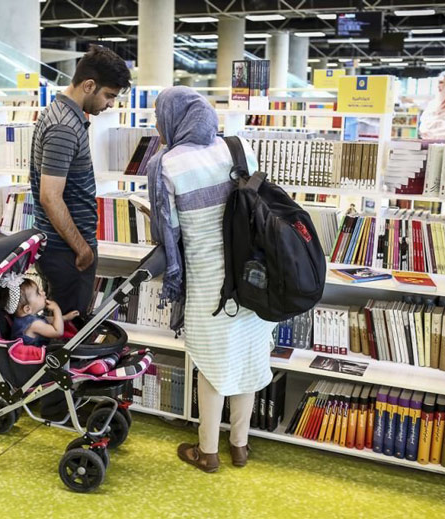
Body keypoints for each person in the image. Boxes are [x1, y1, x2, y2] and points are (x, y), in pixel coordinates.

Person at [146, 86, 275, 473]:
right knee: (247, 357)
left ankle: (208, 452)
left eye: (158, 116)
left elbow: (166, 230)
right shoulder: (238, 147)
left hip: (207, 281)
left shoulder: (165, 164)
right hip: (252, 275)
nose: (157, 124)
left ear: (174, 118)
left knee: (213, 365)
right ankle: (239, 446)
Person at [30, 45, 130, 421]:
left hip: (65, 246)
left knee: (67, 326)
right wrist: (81, 248)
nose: (109, 104)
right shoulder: (63, 127)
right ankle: (58, 409)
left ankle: (56, 402)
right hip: (66, 250)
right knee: (68, 330)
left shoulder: (64, 115)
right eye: (107, 95)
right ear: (88, 85)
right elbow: (50, 197)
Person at [0, 273, 78, 346]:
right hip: (39, 352)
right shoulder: (34, 325)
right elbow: (58, 332)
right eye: (38, 293)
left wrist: (65, 318)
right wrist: (57, 309)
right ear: (27, 308)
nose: (43, 292)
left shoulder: (24, 317)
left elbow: (45, 319)